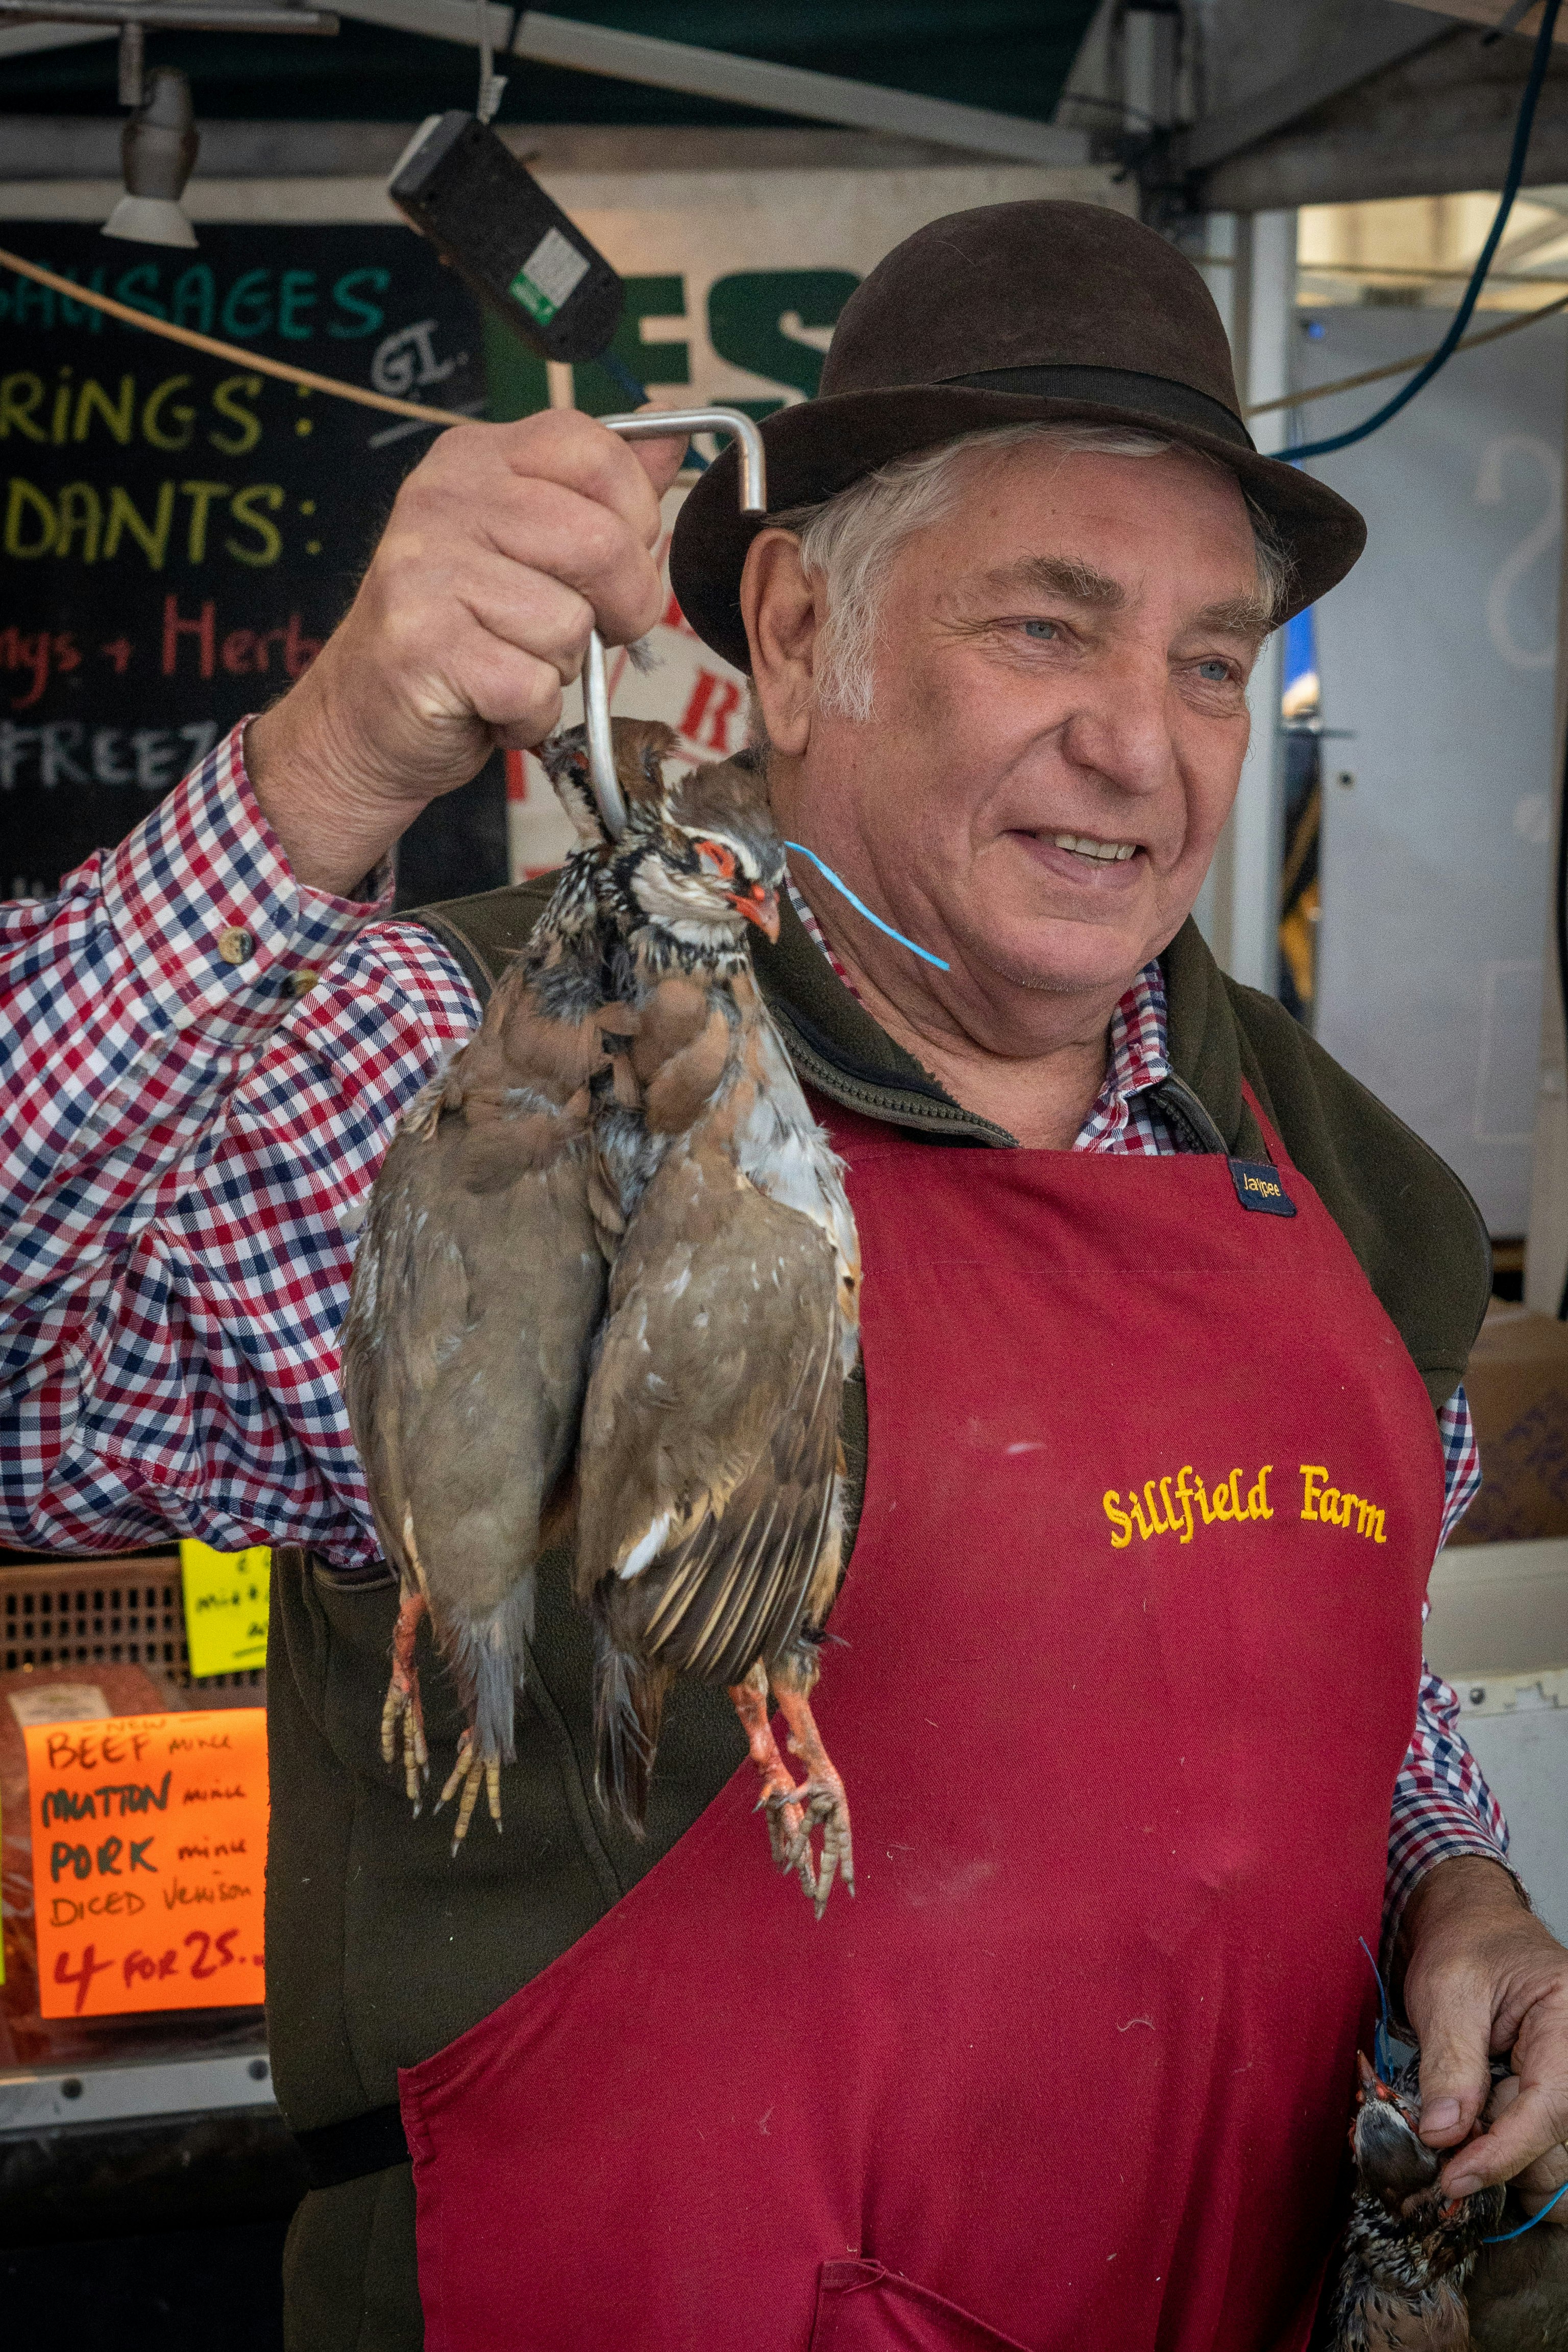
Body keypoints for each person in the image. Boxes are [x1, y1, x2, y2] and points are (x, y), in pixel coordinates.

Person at [4, 200, 1566, 2352]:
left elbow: (1340, 1658)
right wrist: (332, 762)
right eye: (1048, 627)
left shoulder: (1337, 1168)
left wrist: (1455, 1887)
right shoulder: (480, 1084)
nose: (1148, 740)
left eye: (1212, 657)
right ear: (802, 627)